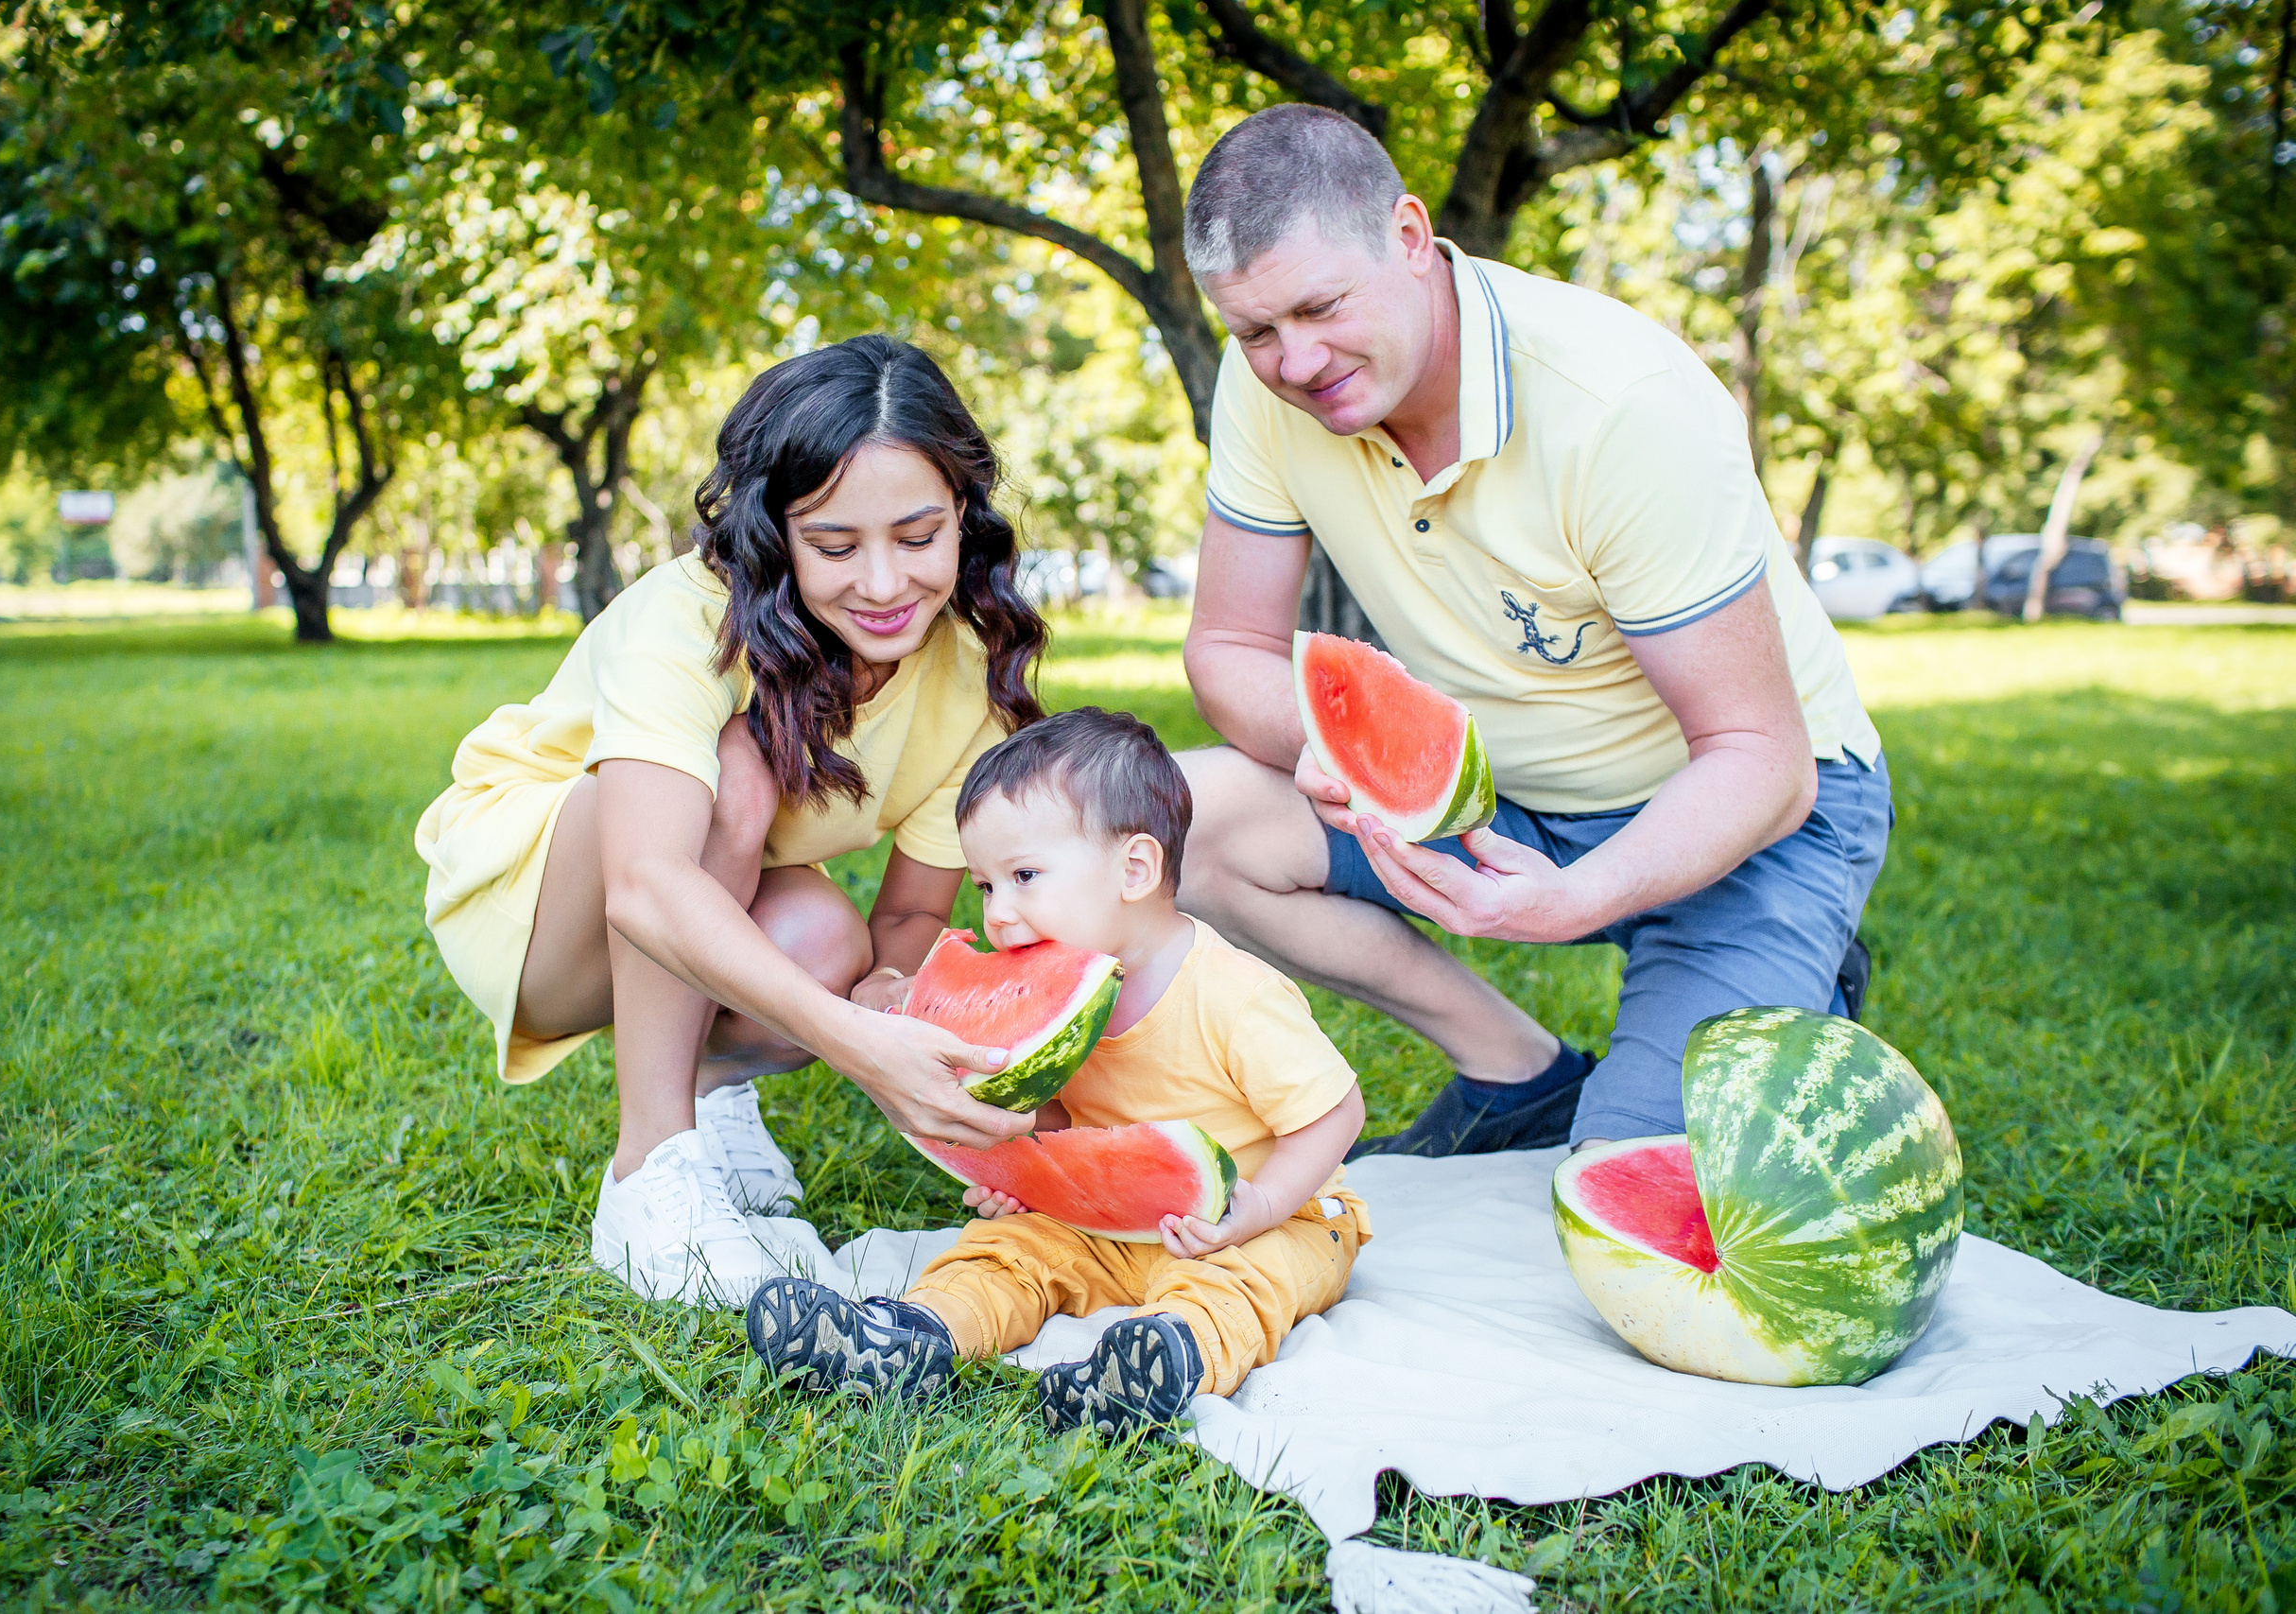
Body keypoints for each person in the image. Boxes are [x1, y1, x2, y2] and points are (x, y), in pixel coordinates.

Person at [1172, 105, 1890, 1156]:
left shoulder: (1620, 407)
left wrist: (1570, 899)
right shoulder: (1268, 380)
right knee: (1176, 825)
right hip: (1497, 794)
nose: (1294, 361)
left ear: (1410, 238)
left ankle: (1793, 972)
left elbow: (1762, 760)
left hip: (1752, 816)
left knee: (1630, 1194)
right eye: (1256, 331)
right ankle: (1518, 1074)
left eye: (1321, 307)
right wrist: (1331, 751)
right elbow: (1227, 651)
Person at [415, 335, 1045, 1306]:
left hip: (697, 899)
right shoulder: (691, 616)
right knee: (740, 767)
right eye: (834, 546)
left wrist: (884, 994)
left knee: (829, 936)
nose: (882, 585)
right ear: (776, 535)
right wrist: (853, 1043)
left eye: (917, 537)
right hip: (534, 906)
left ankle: (711, 1098)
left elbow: (911, 921)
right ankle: (647, 1171)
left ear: (962, 516)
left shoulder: (969, 673)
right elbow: (645, 881)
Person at [745, 709, 1370, 1435]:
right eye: (984, 885)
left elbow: (1336, 1113)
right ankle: (904, 1337)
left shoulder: (1235, 995)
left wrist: (1259, 1206)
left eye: (1025, 876)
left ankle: (1163, 1362)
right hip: (1104, 1219)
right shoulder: (1066, 994)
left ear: (1135, 869)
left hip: (1275, 1217)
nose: (998, 914)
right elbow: (1072, 1123)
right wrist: (1021, 1164)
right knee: (1003, 1252)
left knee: (1242, 1285)